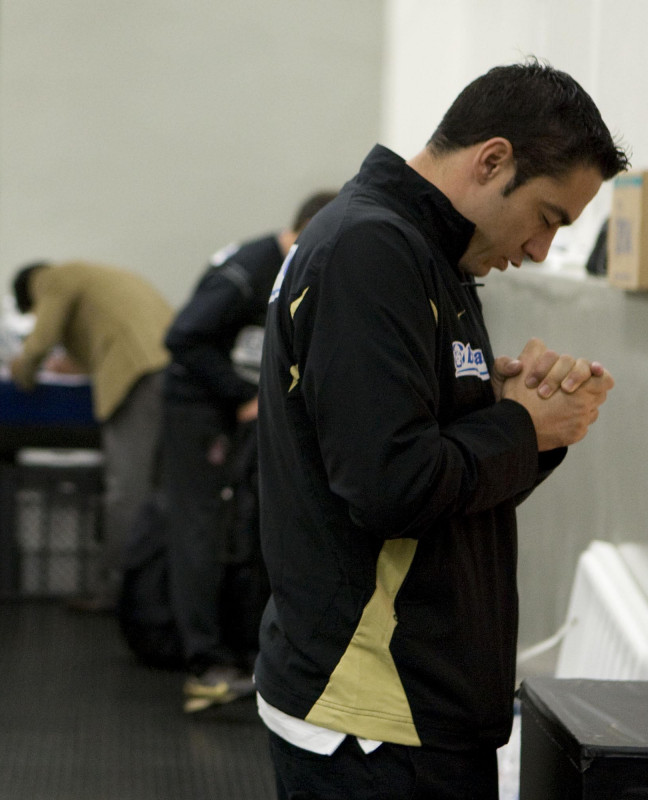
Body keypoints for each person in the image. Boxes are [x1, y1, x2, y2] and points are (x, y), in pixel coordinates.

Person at [255, 59, 624, 798]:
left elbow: (436, 471)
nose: (540, 251)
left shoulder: (431, 256)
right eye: (549, 218)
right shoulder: (371, 250)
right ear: (493, 160)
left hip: (415, 708)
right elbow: (391, 485)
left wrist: (513, 414)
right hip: (371, 719)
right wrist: (522, 424)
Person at [160, 190, 335, 713]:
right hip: (197, 409)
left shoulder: (294, 271)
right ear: (306, 232)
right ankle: (204, 663)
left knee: (238, 525)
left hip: (232, 409)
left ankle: (235, 649)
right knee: (198, 527)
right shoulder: (246, 271)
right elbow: (183, 336)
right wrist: (242, 397)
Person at [9, 261, 173, 611]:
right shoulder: (96, 276)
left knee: (127, 491)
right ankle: (158, 590)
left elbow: (42, 338)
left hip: (138, 376)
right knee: (161, 488)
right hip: (168, 369)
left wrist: (21, 371)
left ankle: (117, 592)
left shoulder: (51, 279)